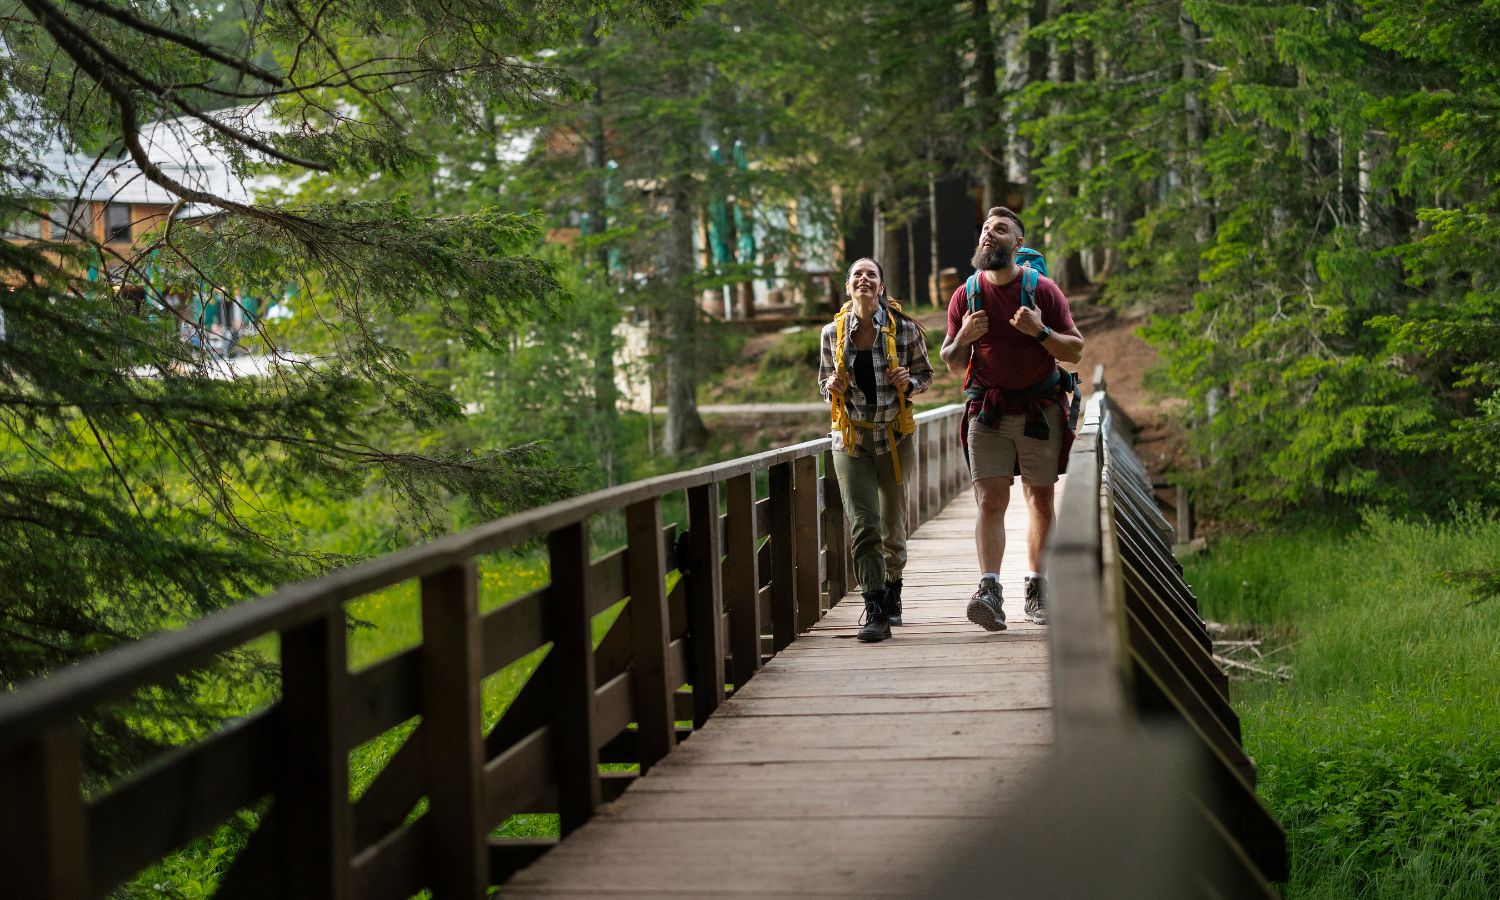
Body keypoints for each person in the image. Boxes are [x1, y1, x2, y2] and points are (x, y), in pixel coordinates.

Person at [938, 208, 1085, 631]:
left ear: (1017, 244)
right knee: (990, 500)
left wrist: (1040, 331)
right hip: (987, 411)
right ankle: (989, 590)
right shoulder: (965, 295)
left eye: (1000, 229)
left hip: (1039, 408)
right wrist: (963, 338)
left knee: (1039, 499)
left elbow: (1075, 350)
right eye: (985, 228)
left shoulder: (1043, 290)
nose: (989, 234)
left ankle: (1038, 588)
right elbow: (950, 361)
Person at [819, 258, 935, 642]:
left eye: (871, 275)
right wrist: (832, 387)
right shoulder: (832, 333)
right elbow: (823, 383)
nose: (864, 279)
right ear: (848, 287)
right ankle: (875, 610)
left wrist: (909, 381)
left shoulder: (904, 329)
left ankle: (893, 587)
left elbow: (926, 374)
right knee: (863, 522)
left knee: (892, 523)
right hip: (851, 438)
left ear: (881, 287)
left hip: (895, 437)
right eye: (857, 275)